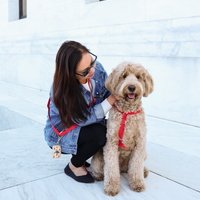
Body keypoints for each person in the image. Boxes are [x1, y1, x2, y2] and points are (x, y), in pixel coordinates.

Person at [44, 41, 120, 183]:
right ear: (70, 73)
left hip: (83, 125)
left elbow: (108, 91)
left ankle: (83, 155)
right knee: (99, 134)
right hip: (62, 134)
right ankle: (74, 166)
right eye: (85, 71)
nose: (92, 70)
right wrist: (110, 100)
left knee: (112, 128)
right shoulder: (61, 91)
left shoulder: (97, 70)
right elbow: (82, 119)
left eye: (92, 62)